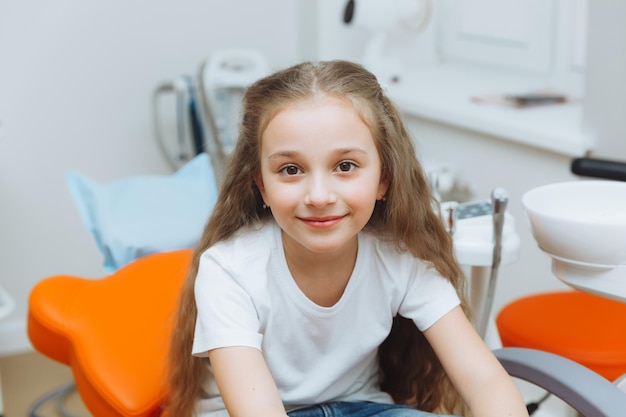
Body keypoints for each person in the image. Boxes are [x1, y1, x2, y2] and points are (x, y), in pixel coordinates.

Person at [167, 60, 529, 417]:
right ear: (261, 185)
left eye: (345, 166)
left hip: (364, 408)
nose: (320, 196)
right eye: (291, 170)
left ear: (383, 178)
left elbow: (486, 382)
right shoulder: (230, 269)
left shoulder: (401, 256)